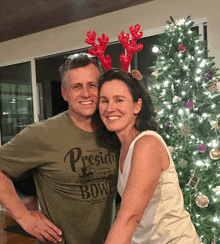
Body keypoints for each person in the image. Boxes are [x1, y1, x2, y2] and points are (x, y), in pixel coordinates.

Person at [0, 53, 119, 244]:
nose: (86, 93)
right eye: (76, 87)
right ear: (65, 93)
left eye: (92, 85)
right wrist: (22, 217)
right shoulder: (42, 133)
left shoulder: (114, 131)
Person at [95, 68, 201, 243]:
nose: (110, 108)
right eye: (104, 101)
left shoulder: (147, 144)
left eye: (119, 100)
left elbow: (130, 218)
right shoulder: (122, 147)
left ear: (137, 105)